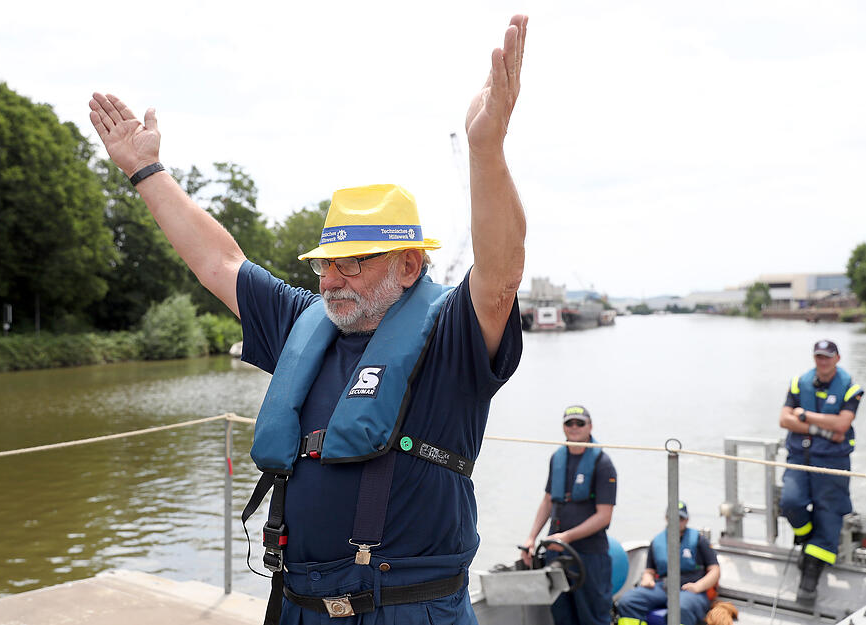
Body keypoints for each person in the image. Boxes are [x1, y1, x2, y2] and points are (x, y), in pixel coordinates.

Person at [89, 15, 528, 625]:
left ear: (407, 266)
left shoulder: (452, 337)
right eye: (324, 264)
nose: (329, 280)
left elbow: (500, 276)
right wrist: (146, 171)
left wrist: (485, 152)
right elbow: (220, 261)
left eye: (350, 265)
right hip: (297, 607)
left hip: (406, 611)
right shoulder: (306, 321)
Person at [779, 339, 862, 604]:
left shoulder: (851, 388)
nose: (822, 361)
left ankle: (810, 574)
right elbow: (783, 419)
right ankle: (804, 536)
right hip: (799, 457)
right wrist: (821, 428)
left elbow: (843, 424)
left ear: (837, 358)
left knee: (829, 515)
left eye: (827, 357)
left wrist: (805, 417)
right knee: (790, 501)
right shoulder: (798, 383)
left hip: (833, 462)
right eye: (818, 357)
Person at [520, 405, 617, 625]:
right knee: (562, 618)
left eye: (579, 423)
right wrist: (531, 538)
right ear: (563, 427)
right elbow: (547, 501)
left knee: (593, 619)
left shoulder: (603, 464)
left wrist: (566, 538)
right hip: (557, 556)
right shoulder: (557, 458)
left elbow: (604, 516)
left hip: (590, 556)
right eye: (569, 423)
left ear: (590, 426)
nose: (574, 427)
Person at [615, 502, 720, 625]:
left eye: (680, 518)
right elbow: (649, 570)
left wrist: (698, 586)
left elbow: (715, 570)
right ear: (666, 518)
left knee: (681, 608)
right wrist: (647, 579)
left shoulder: (699, 540)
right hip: (663, 587)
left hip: (690, 589)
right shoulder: (657, 542)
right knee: (627, 602)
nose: (676, 521)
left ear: (686, 520)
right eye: (672, 517)